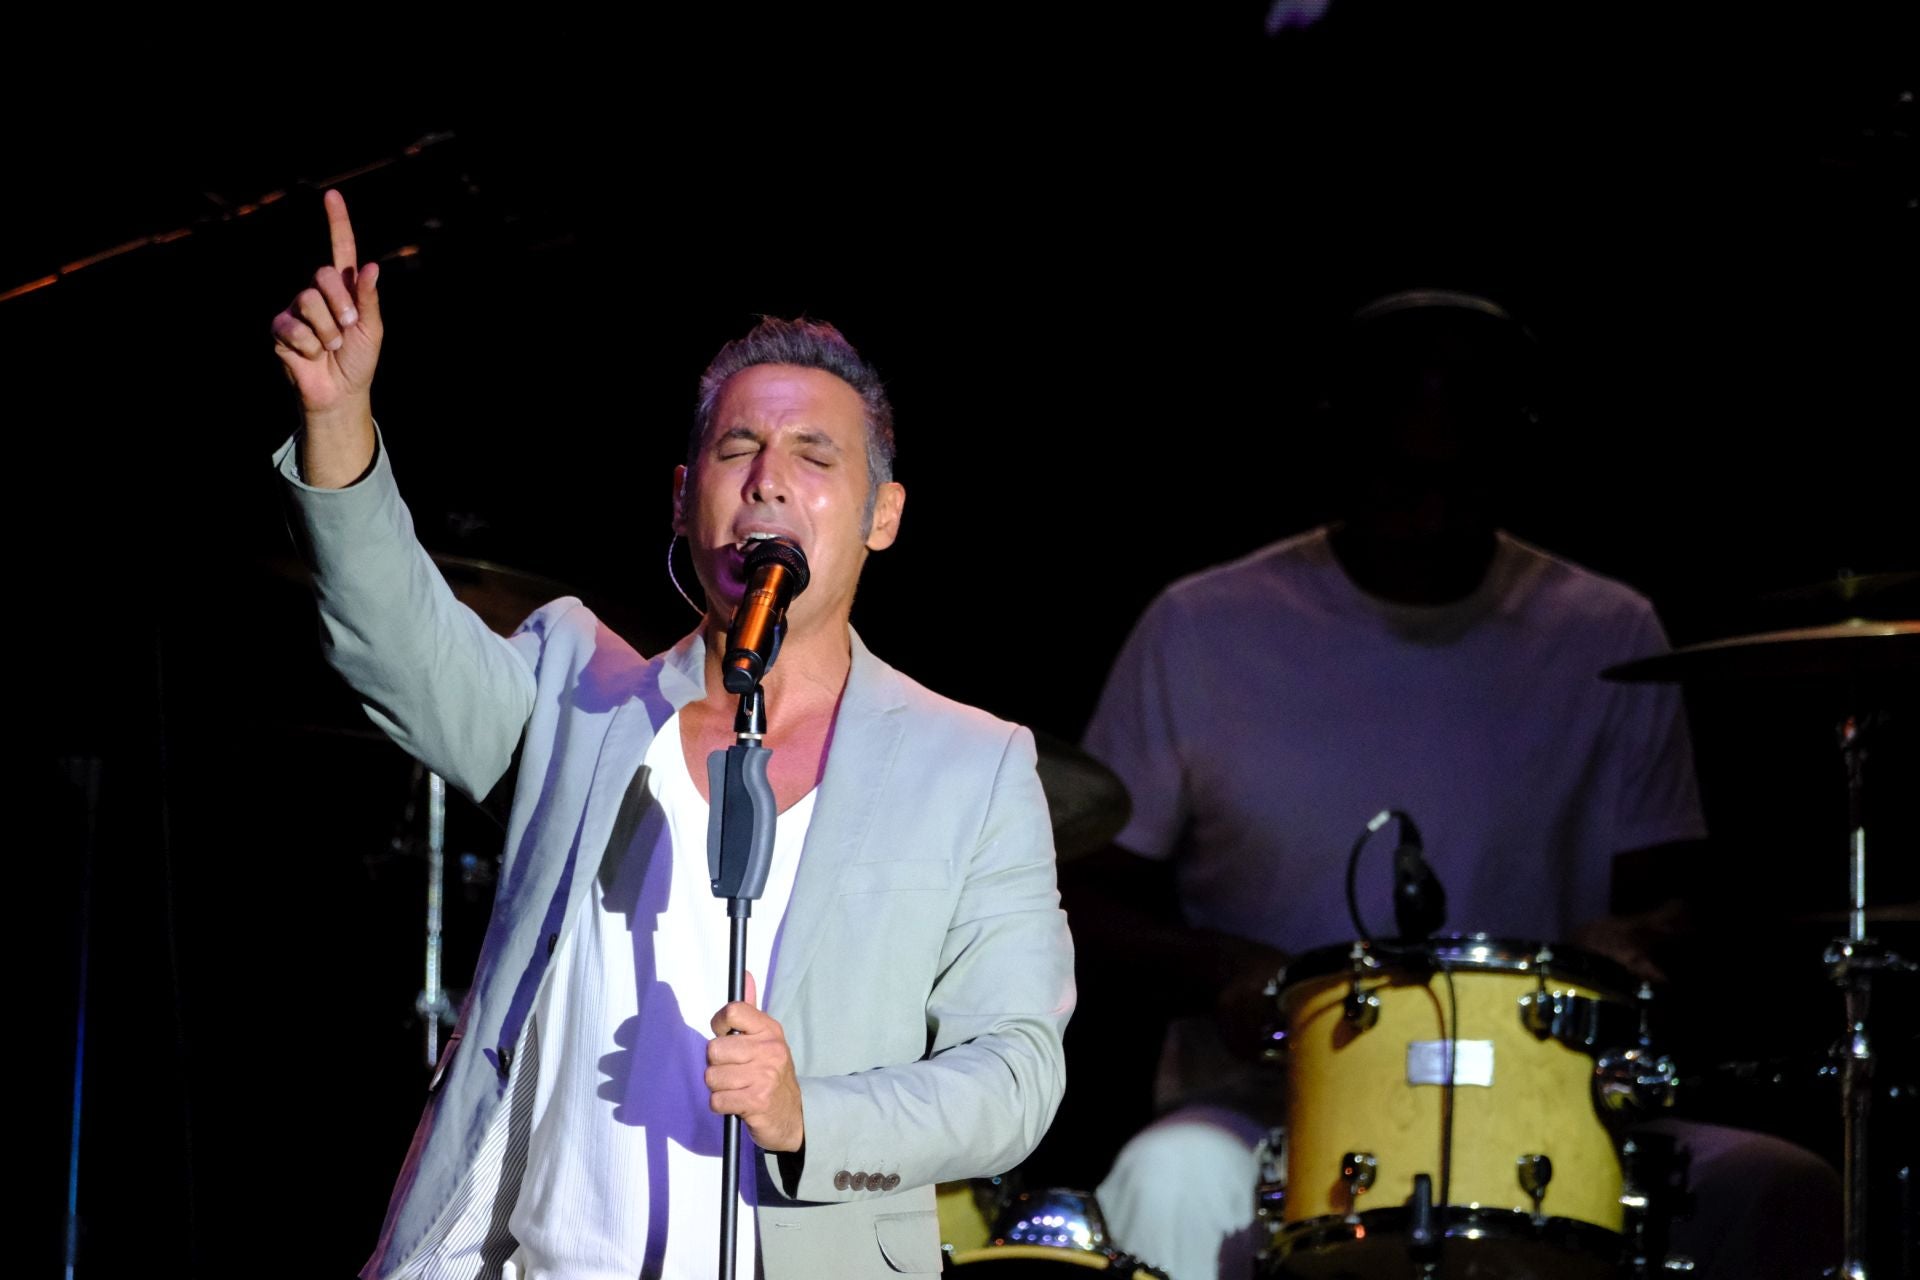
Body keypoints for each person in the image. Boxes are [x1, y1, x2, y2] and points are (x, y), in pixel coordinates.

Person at [269, 190, 1075, 1279]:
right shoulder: (581, 695)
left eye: (815, 456)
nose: (769, 478)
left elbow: (1016, 1073)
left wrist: (810, 1112)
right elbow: (395, 640)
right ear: (687, 497)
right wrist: (338, 420)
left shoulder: (971, 765)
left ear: (882, 516)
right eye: (740, 448)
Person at [1067, 290, 1841, 1280]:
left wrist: (1639, 937)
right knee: (1165, 1181)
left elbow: (1677, 892)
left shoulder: (1606, 629)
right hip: (1271, 1108)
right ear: (1342, 453)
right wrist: (1223, 966)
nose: (1432, 516)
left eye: (1463, 482)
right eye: (1401, 480)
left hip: (1547, 1105)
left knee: (1781, 1187)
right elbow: (1087, 898)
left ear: (1514, 459)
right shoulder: (1202, 626)